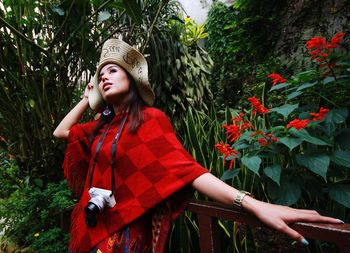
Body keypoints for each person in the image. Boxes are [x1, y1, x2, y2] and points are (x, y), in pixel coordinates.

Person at [53, 38, 343, 253]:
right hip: (92, 230)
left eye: (113, 71)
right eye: (101, 74)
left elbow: (187, 171)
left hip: (125, 237)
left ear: (132, 77)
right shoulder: (100, 128)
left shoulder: (150, 120)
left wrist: (252, 203)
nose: (104, 76)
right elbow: (62, 132)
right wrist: (86, 98)